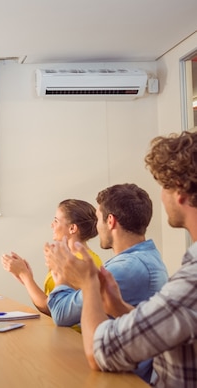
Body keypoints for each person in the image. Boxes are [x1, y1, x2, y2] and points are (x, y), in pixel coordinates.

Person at [45, 130, 197, 386]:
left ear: (179, 192)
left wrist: (88, 282)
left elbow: (100, 351)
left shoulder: (188, 279)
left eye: (164, 186)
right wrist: (118, 307)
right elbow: (169, 328)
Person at [46, 183, 169, 383]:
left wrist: (61, 277)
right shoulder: (144, 257)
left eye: (98, 218)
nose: (96, 227)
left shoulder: (127, 268)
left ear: (110, 221)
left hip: (123, 379)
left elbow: (61, 314)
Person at [1, 199, 102, 316]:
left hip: (73, 333)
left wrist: (25, 275)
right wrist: (25, 277)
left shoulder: (79, 262)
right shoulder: (67, 258)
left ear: (72, 228)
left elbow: (50, 308)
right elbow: (49, 302)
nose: (52, 225)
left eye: (56, 221)